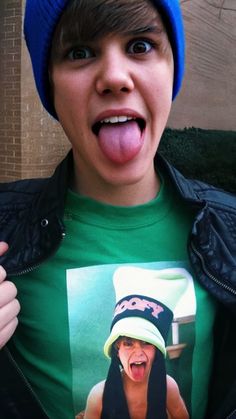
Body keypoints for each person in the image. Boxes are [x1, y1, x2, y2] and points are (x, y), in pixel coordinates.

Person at [0, 0, 235, 418]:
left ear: (172, 70)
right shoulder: (4, 230)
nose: (113, 76)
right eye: (80, 52)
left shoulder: (229, 229)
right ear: (49, 85)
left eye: (141, 46)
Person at [82, 266, 189, 419]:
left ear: (156, 350)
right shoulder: (99, 395)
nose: (138, 352)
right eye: (128, 343)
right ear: (117, 349)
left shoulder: (167, 387)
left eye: (146, 342)